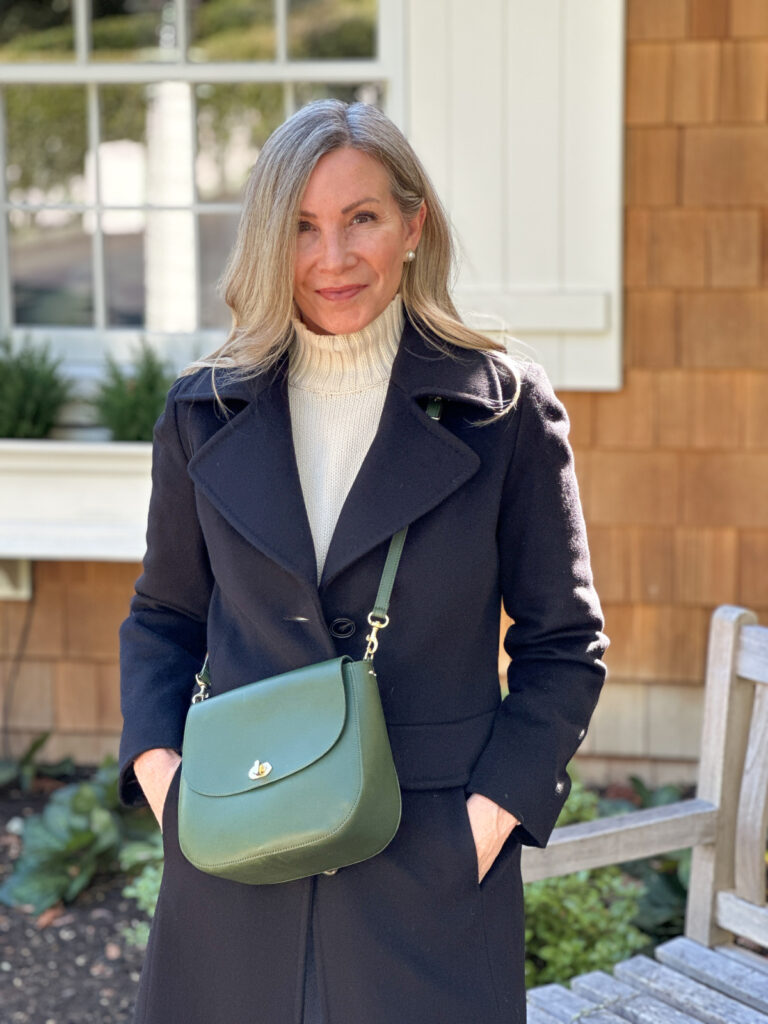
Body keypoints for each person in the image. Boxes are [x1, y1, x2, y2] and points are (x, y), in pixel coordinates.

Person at [118, 99, 609, 1024]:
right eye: (302, 226)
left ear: (414, 226)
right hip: (234, 857)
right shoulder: (201, 413)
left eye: (362, 218)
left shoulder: (504, 413)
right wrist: (167, 784)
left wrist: (482, 826)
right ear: (268, 239)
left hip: (427, 872)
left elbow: (565, 645)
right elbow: (163, 617)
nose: (332, 257)